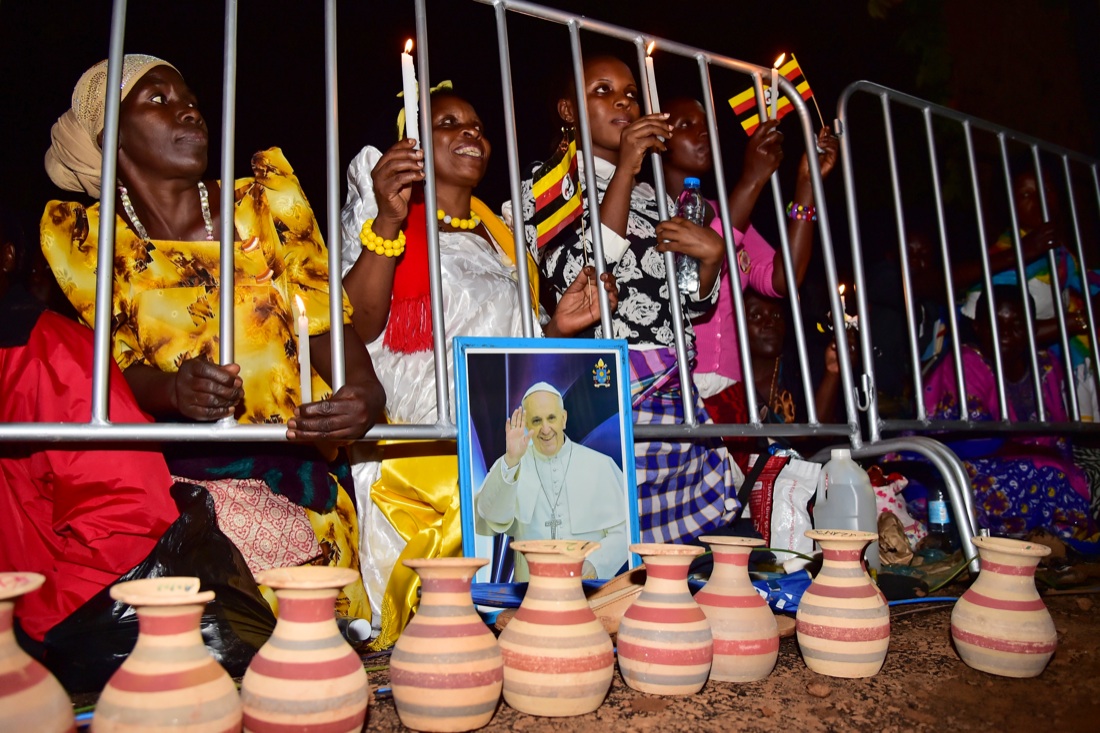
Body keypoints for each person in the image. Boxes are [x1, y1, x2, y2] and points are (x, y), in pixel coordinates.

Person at [39, 55, 385, 620]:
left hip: (294, 469)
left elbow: (322, 318)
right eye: (158, 100)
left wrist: (365, 390)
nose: (189, 111)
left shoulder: (263, 203)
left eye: (190, 99)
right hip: (177, 483)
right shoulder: (92, 243)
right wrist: (172, 391)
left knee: (309, 644)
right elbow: (109, 370)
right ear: (112, 138)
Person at [339, 87, 616, 644]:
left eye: (478, 125)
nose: (471, 133)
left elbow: (513, 351)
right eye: (447, 122)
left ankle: (541, 618)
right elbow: (356, 322)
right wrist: (389, 219)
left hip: (499, 427)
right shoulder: (382, 208)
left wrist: (558, 329)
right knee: (479, 492)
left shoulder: (503, 235)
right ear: (413, 144)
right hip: (425, 436)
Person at [509, 55, 744, 545]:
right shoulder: (547, 186)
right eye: (603, 90)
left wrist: (709, 261)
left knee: (672, 557)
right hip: (609, 390)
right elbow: (582, 274)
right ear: (568, 111)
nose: (623, 101)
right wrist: (624, 171)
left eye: (631, 93)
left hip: (673, 391)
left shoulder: (654, 199)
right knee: (609, 546)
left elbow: (689, 305)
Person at [660, 97, 838, 423]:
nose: (704, 133)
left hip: (730, 390)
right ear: (659, 139)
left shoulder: (728, 211)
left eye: (708, 126)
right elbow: (696, 276)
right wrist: (752, 181)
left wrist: (806, 187)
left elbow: (782, 279)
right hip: (672, 384)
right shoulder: (648, 209)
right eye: (687, 125)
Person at [924, 284, 1097, 543]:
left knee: (1072, 473)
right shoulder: (965, 362)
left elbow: (1060, 435)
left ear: (1032, 328)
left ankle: (1061, 543)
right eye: (995, 323)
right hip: (965, 465)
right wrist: (1040, 458)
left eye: (1017, 324)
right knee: (1046, 473)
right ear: (978, 327)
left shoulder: (1046, 363)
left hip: (1039, 464)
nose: (1005, 333)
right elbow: (971, 439)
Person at [475, 382, 628, 580]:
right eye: (536, 420)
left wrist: (595, 564)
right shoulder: (511, 465)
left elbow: (625, 530)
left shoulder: (600, 464)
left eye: (551, 418)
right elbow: (490, 518)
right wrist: (511, 459)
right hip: (530, 589)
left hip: (588, 590)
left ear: (563, 419)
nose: (545, 429)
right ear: (527, 424)